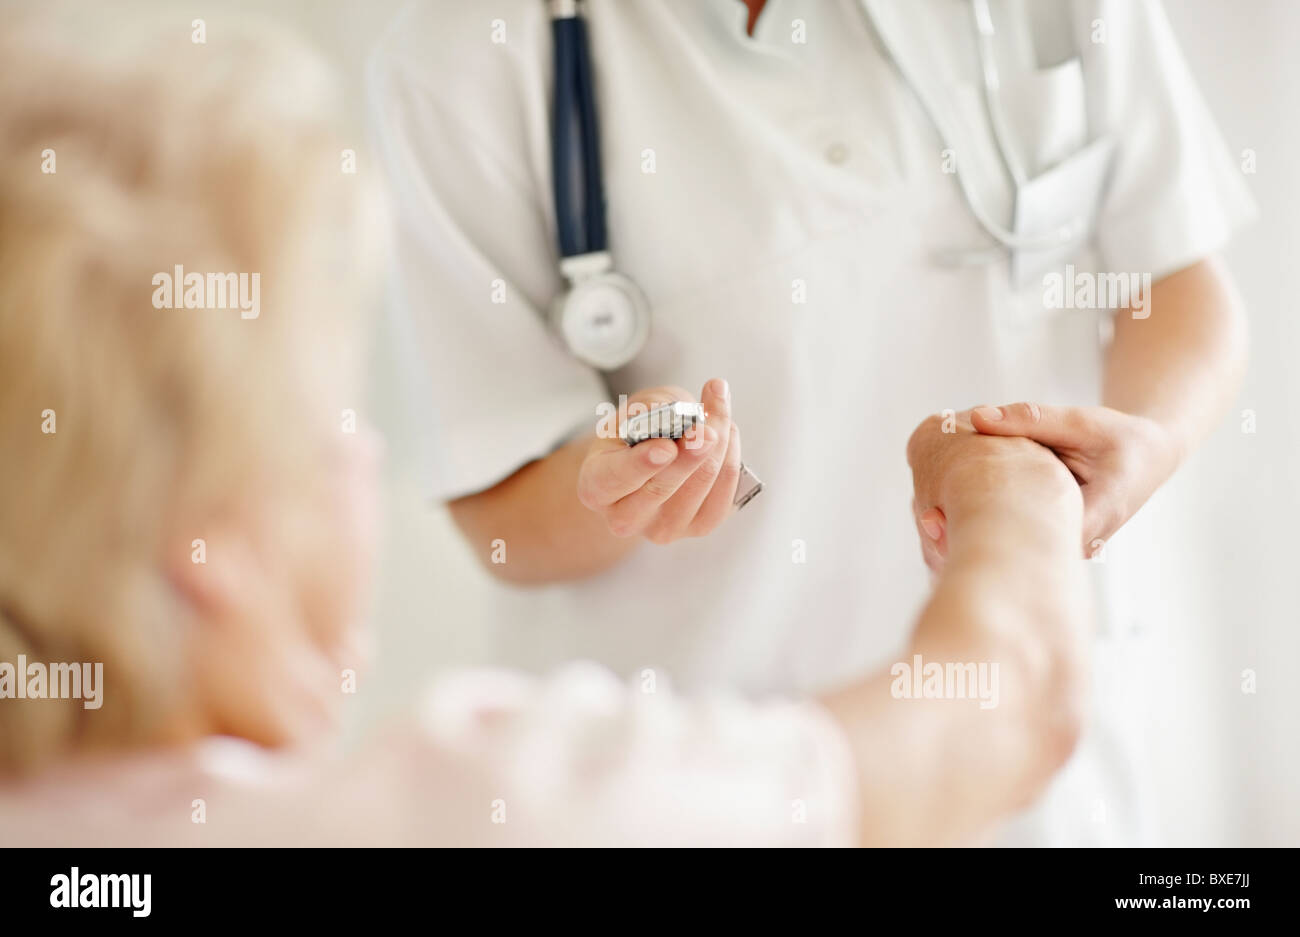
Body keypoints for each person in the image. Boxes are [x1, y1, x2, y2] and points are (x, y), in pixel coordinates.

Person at [0, 22, 1087, 847]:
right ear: (210, 543)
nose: (366, 458)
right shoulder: (500, 806)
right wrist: (1004, 480)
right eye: (333, 422)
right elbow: (1011, 703)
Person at [367, 0, 1251, 844]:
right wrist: (616, 482)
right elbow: (501, 515)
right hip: (723, 785)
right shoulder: (460, 61)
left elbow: (1178, 277)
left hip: (1042, 787)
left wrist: (1146, 440)